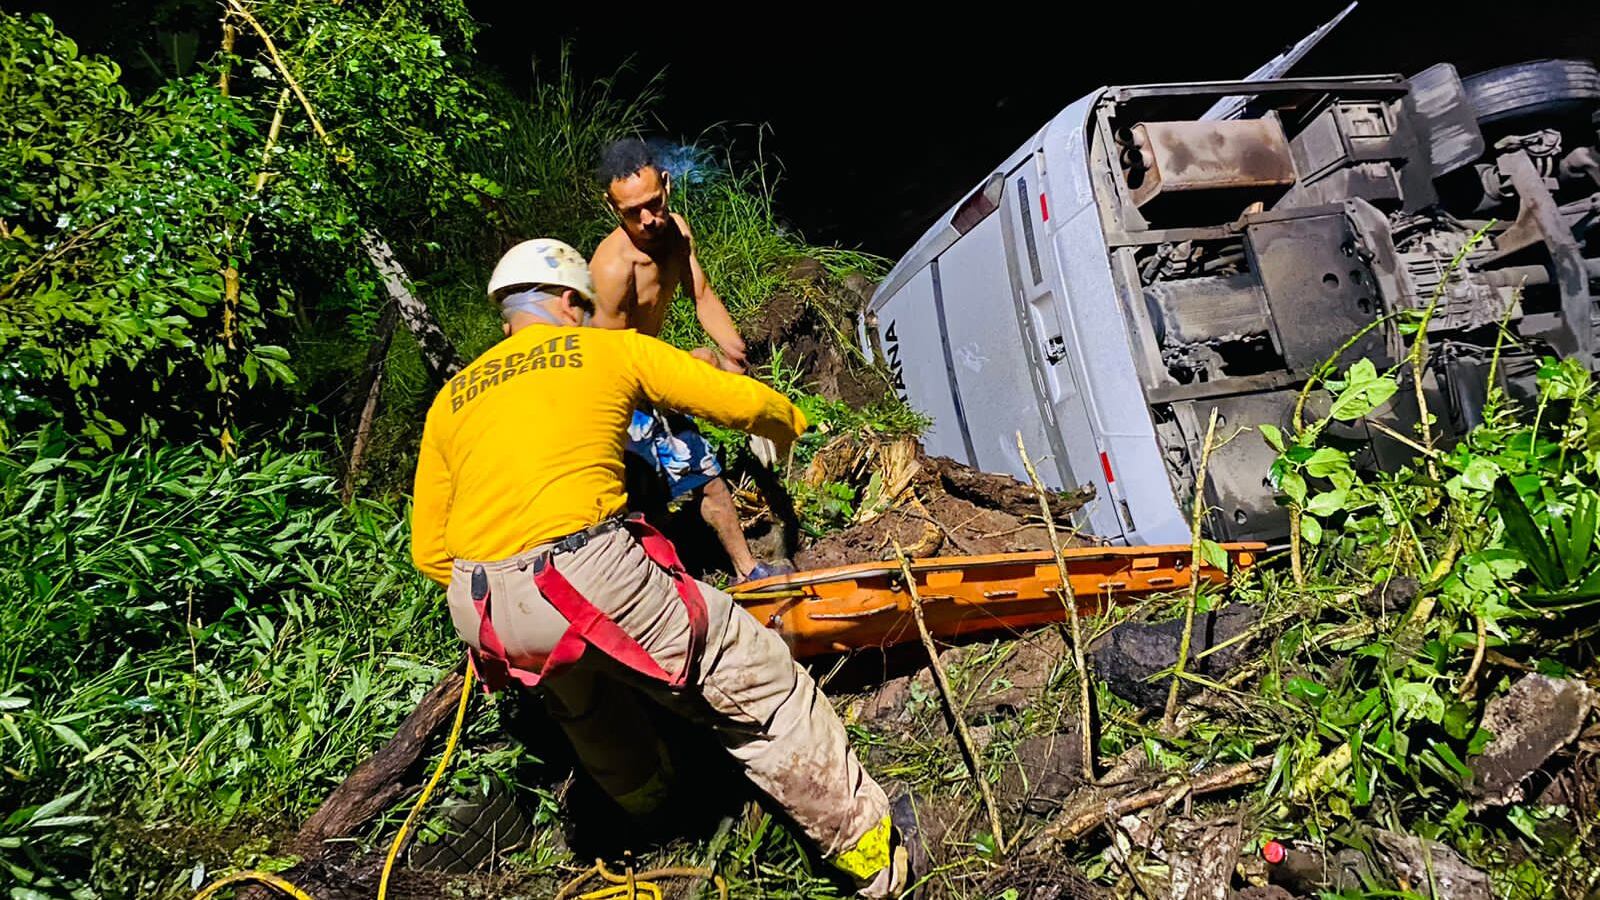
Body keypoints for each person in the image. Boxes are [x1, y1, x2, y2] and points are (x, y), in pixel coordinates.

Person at [409, 239, 911, 897]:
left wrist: (511, 591)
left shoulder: (453, 400)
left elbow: (428, 552)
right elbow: (727, 400)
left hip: (482, 607)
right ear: (567, 301)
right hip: (584, 571)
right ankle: (874, 858)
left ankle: (655, 810)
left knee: (585, 704)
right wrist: (787, 420)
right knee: (763, 691)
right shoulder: (602, 349)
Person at [589, 138, 789, 583]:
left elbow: (701, 295)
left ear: (667, 185)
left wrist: (737, 356)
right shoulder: (612, 268)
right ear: (612, 208)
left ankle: (748, 570)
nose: (647, 219)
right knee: (643, 501)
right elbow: (609, 357)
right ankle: (665, 590)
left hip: (652, 378)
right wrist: (684, 371)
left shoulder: (676, 231)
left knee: (706, 476)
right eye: (632, 213)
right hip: (618, 394)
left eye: (653, 204)